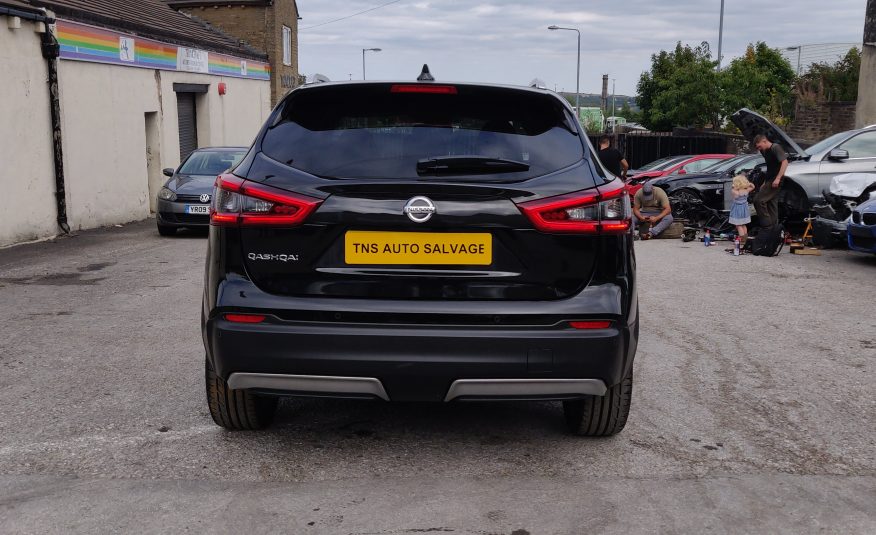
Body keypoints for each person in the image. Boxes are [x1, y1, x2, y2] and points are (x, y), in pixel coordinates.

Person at [752, 134, 788, 228]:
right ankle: (774, 229)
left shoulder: (775, 147)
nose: (759, 149)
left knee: (758, 200)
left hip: (775, 180)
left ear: (764, 141)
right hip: (769, 179)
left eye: (759, 146)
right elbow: (770, 167)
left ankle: (767, 225)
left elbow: (785, 162)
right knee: (772, 204)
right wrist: (765, 182)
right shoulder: (764, 151)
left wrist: (778, 178)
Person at [728, 174, 756, 251]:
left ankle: (742, 240)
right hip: (744, 209)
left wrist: (733, 188)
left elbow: (735, 194)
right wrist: (749, 184)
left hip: (737, 209)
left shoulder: (735, 191)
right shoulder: (746, 190)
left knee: (738, 225)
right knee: (743, 224)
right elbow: (753, 187)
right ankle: (745, 239)